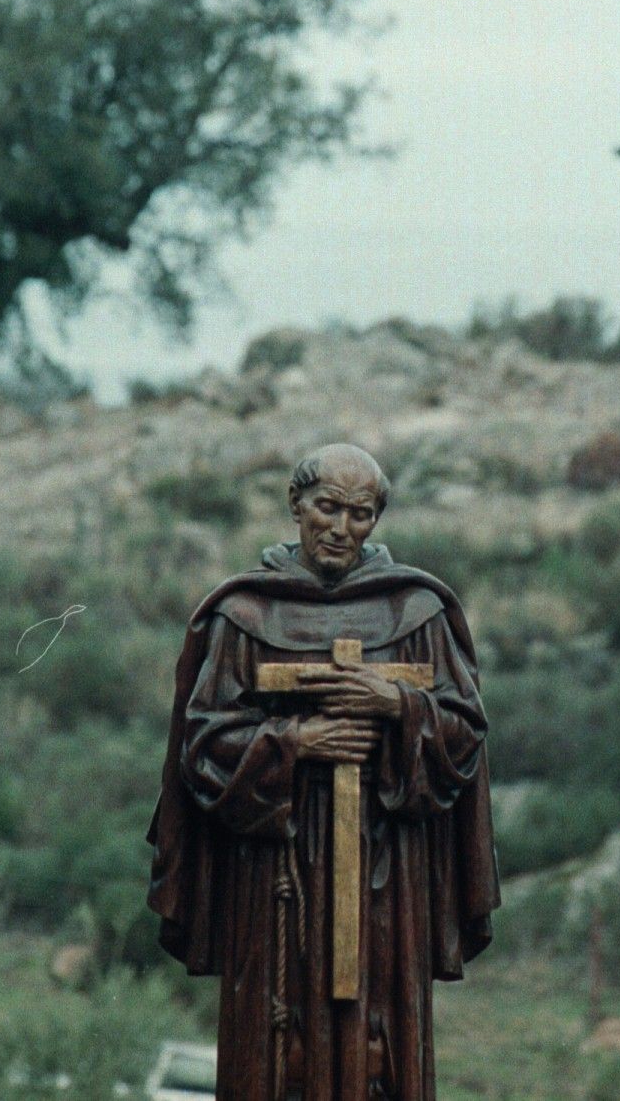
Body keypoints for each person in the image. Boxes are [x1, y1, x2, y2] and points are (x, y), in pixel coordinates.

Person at [147, 443, 498, 1100]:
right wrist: (293, 742)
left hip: (388, 869)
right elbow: (201, 746)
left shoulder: (416, 612)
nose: (341, 528)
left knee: (380, 1040)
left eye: (360, 514)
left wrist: (396, 703)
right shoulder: (245, 616)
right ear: (296, 505)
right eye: (327, 507)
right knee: (277, 1046)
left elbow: (465, 735)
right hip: (275, 872)